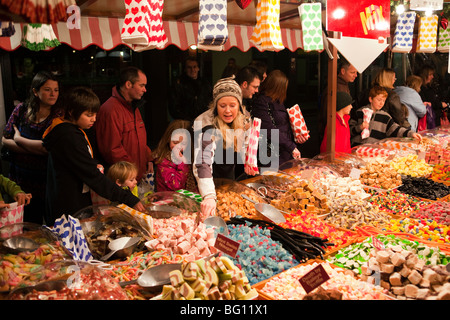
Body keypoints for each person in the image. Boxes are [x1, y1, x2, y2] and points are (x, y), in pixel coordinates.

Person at [43, 87, 145, 226]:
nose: (94, 119)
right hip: (68, 205)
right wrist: (128, 198)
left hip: (71, 199)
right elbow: (92, 176)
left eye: (95, 114)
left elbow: (81, 163)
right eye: (89, 115)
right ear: (72, 112)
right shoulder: (68, 137)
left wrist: (92, 163)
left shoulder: (73, 131)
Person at [2, 70, 63, 224]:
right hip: (19, 180)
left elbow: (48, 149)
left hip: (46, 181)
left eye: (56, 90)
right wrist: (31, 147)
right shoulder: (21, 109)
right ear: (35, 91)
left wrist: (19, 139)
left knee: (49, 225)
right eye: (47, 90)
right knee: (24, 225)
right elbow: (5, 139)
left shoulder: (58, 115)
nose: (53, 94)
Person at [193, 77, 257, 218]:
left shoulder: (244, 118)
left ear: (239, 106)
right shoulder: (206, 124)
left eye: (232, 105)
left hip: (229, 175)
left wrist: (249, 160)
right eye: (222, 106)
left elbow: (248, 142)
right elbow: (203, 162)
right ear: (215, 106)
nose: (228, 111)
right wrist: (209, 195)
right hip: (208, 178)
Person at [95, 66, 152, 181]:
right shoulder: (110, 110)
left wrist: (148, 159)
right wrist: (132, 172)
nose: (145, 90)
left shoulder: (134, 106)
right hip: (123, 179)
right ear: (128, 85)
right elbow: (112, 150)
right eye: (141, 85)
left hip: (135, 177)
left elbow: (140, 141)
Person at [251, 70, 308, 167]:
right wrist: (291, 147)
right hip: (271, 155)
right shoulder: (262, 102)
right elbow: (268, 129)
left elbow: (284, 127)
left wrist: (298, 137)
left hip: (284, 153)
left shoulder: (278, 101)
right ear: (277, 87)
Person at [350, 86, 422, 146]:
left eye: (384, 101)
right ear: (370, 99)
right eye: (379, 100)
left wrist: (411, 133)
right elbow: (350, 130)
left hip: (374, 151)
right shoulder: (359, 112)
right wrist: (359, 127)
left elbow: (396, 129)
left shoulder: (386, 117)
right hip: (356, 148)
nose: (381, 103)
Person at [319, 60, 358, 142]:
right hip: (334, 134)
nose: (356, 75)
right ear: (343, 71)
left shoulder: (344, 84)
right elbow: (326, 113)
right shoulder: (334, 87)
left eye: (356, 72)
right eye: (352, 72)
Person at [153, 119, 194, 192]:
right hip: (168, 200)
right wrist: (182, 162)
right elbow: (176, 186)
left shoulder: (190, 155)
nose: (178, 147)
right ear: (168, 139)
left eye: (183, 144)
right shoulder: (164, 161)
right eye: (175, 142)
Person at [169, 57, 212, 122]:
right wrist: (186, 119)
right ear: (185, 69)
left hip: (203, 121)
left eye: (194, 67)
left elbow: (210, 101)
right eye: (189, 67)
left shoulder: (205, 84)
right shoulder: (178, 84)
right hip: (185, 122)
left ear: (198, 68)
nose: (192, 70)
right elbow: (174, 107)